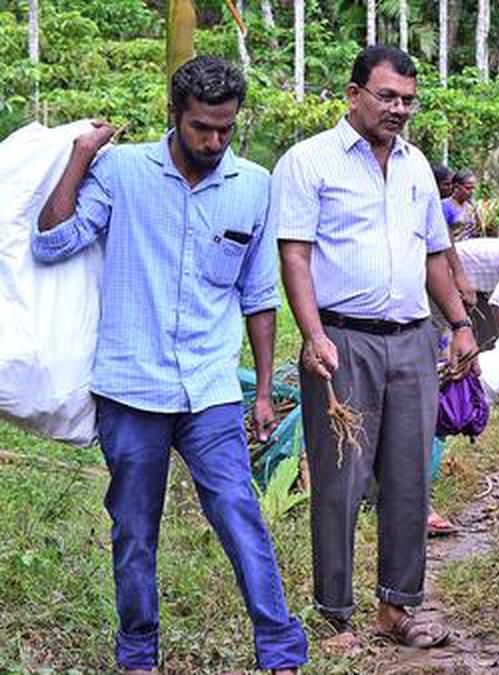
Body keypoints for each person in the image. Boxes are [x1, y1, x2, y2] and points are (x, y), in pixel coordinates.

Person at [31, 56, 307, 674]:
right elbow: (51, 240)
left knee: (240, 515)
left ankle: (281, 655)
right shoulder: (125, 172)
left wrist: (263, 392)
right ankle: (138, 657)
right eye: (202, 127)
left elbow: (258, 296)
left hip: (210, 388)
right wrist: (81, 155)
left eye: (226, 129)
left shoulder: (253, 185)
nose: (214, 141)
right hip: (130, 388)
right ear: (174, 116)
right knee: (134, 532)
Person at [272, 45, 477, 653]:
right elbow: (295, 255)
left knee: (410, 476)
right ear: (353, 94)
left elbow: (434, 255)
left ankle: (397, 607)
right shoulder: (309, 162)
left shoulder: (416, 166)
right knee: (340, 478)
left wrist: (461, 323)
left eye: (408, 100)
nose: (398, 109)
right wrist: (313, 336)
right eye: (387, 96)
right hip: (342, 340)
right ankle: (335, 616)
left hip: (413, 341)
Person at [443, 169, 479, 241]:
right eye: (468, 188)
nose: (471, 192)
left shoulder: (470, 207)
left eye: (473, 188)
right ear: (457, 187)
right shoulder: (445, 206)